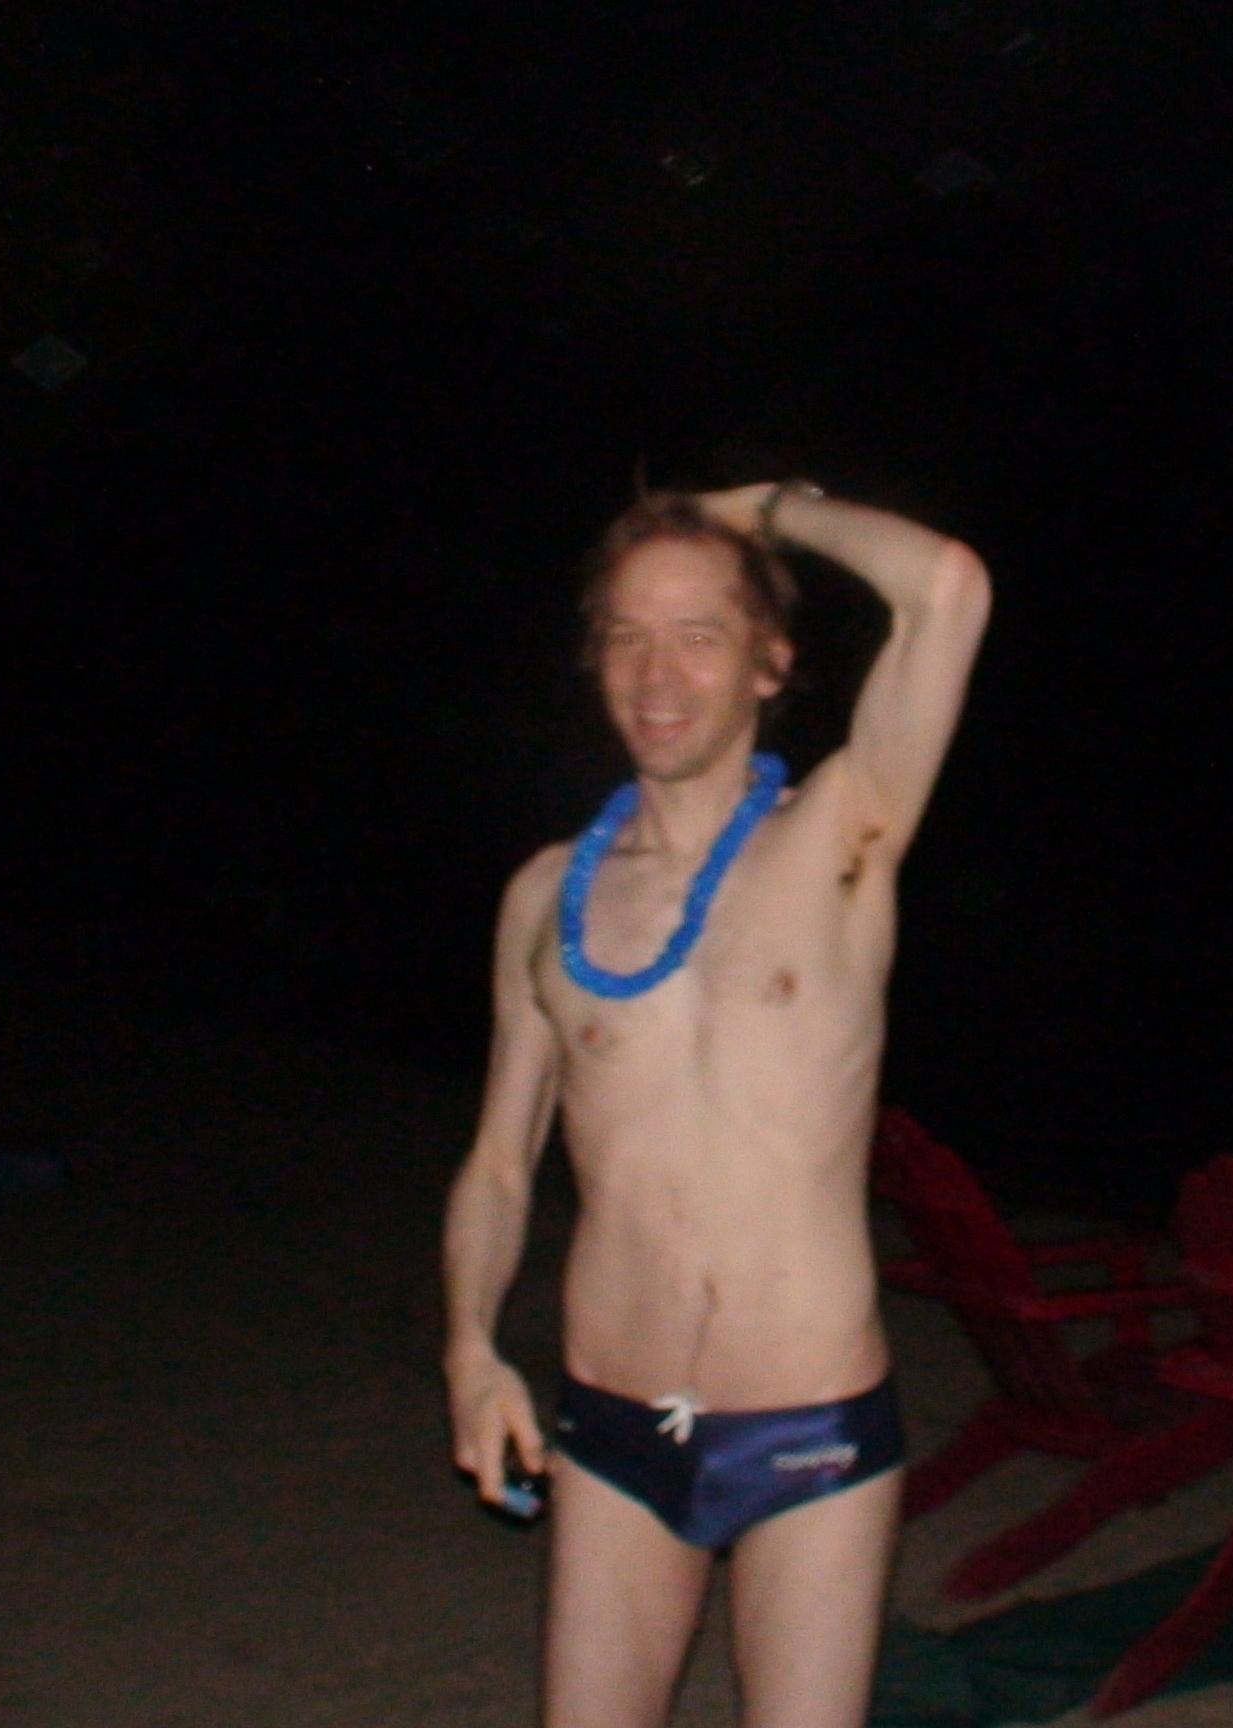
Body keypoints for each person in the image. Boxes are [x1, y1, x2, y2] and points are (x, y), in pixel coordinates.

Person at [442, 479, 992, 1728]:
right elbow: (499, 1167)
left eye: (701, 632)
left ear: (769, 661)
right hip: (610, 1430)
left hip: (810, 1429)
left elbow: (948, 587)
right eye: (627, 636)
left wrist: (766, 506)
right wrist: (470, 1347)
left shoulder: (844, 837)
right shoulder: (545, 897)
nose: (657, 673)